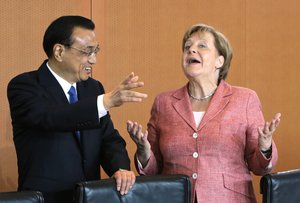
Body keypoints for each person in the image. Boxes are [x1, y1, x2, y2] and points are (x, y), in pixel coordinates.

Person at [127, 23, 281, 203]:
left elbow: (260, 168)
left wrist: (265, 146)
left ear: (220, 61)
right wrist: (144, 150)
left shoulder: (244, 99)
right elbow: (152, 171)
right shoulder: (164, 103)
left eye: (202, 45)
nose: (191, 49)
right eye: (187, 47)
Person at [7, 15, 147, 203]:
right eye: (87, 52)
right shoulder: (24, 86)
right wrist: (103, 103)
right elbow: (51, 117)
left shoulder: (93, 88)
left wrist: (119, 168)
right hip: (46, 198)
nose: (94, 60)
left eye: (96, 51)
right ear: (59, 51)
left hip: (89, 196)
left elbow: (108, 139)